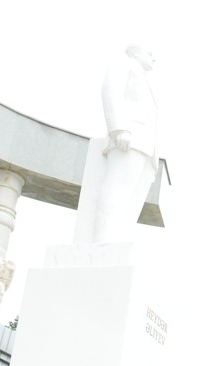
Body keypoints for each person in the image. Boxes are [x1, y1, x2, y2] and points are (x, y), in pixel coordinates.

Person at [76, 43, 159, 245]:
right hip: (128, 137)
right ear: (135, 51)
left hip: (144, 145)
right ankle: (101, 242)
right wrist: (119, 128)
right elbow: (110, 91)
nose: (153, 58)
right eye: (150, 52)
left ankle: (115, 242)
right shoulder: (124, 65)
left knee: (130, 198)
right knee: (116, 187)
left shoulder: (142, 75)